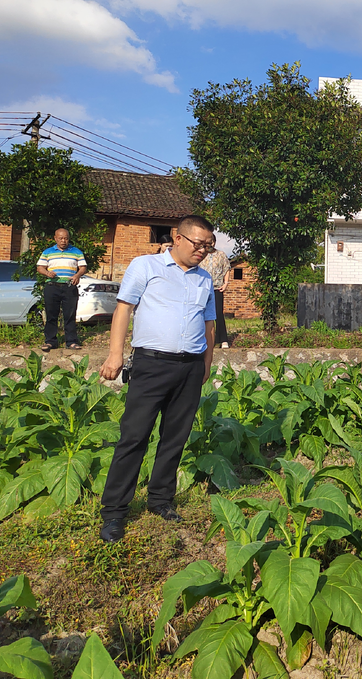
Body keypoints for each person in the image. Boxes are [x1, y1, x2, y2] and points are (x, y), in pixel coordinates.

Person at [97, 215, 217, 542]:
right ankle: (114, 513)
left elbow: (209, 326)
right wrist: (115, 354)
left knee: (174, 438)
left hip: (190, 367)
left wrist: (206, 363)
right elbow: (124, 309)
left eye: (209, 245)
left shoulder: (204, 279)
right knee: (134, 437)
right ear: (177, 238)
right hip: (151, 365)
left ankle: (160, 500)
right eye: (198, 243)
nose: (203, 250)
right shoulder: (145, 266)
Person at [36, 228, 87, 351]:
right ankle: (50, 341)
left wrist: (77, 275)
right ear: (55, 238)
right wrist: (47, 273)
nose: (63, 241)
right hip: (52, 286)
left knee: (69, 315)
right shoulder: (48, 252)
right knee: (51, 314)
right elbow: (40, 267)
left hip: (69, 287)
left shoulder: (76, 252)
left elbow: (83, 267)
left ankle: (71, 341)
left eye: (66, 238)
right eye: (61, 238)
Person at [199, 238, 231, 348]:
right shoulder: (201, 254)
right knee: (201, 314)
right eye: (209, 242)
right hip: (202, 288)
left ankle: (223, 340)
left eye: (212, 241)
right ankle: (203, 339)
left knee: (218, 313)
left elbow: (226, 268)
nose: (211, 244)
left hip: (217, 288)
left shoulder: (221, 254)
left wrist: (226, 283)